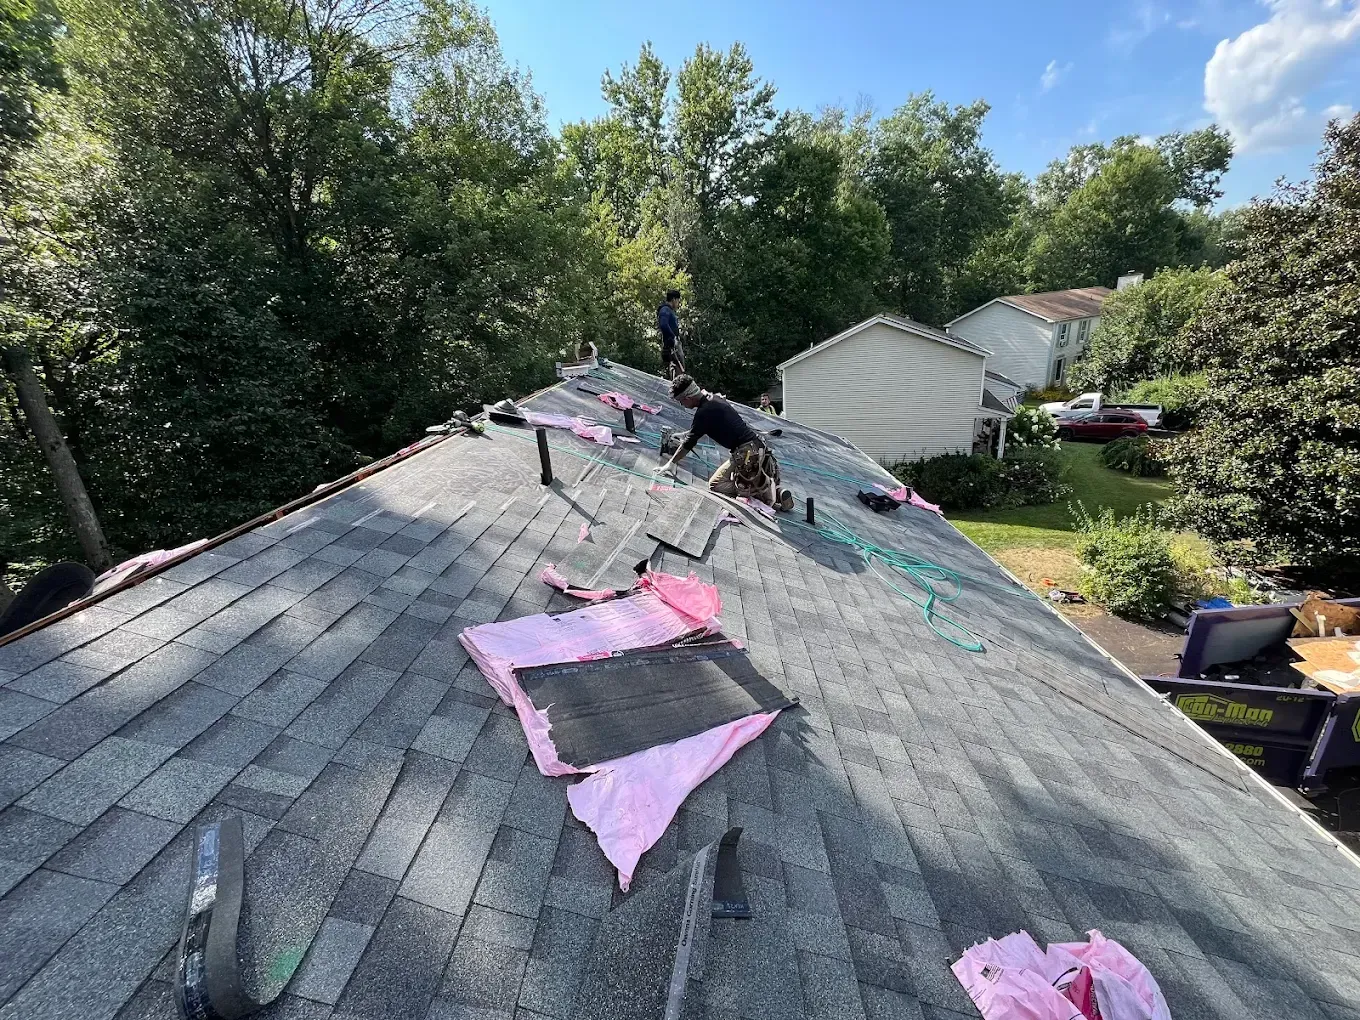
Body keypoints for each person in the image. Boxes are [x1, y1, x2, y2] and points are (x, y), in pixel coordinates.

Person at [657, 374, 794, 511]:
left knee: (716, 484)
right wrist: (684, 434)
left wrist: (671, 463)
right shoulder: (714, 399)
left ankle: (762, 492)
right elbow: (698, 430)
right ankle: (776, 492)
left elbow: (689, 443)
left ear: (688, 398)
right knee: (734, 479)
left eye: (681, 401)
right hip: (757, 448)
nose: (682, 405)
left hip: (746, 454)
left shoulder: (703, 413)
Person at [657, 289, 683, 379]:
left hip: (673, 346)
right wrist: (673, 338)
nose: (678, 304)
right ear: (674, 299)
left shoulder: (669, 311)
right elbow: (663, 325)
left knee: (680, 370)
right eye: (678, 301)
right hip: (671, 347)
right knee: (677, 372)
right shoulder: (665, 310)